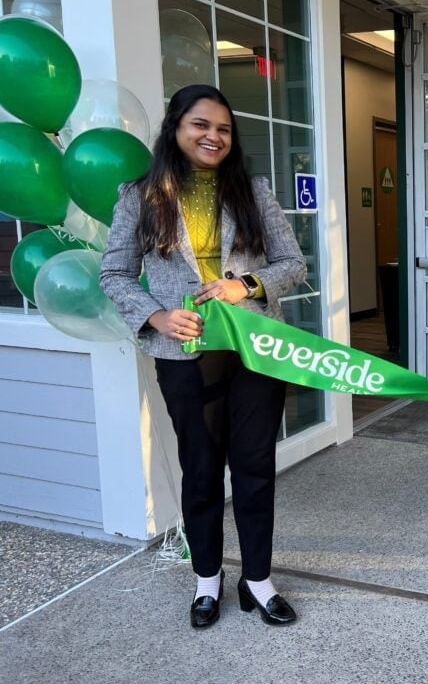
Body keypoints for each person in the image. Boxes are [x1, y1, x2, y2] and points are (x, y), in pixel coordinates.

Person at [100, 85, 307, 629]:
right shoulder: (140, 196)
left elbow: (293, 264)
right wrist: (157, 316)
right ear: (175, 128)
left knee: (256, 466)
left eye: (223, 128)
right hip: (184, 353)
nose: (212, 136)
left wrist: (248, 285)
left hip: (255, 349)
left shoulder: (252, 190)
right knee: (201, 469)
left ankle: (257, 582)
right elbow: (114, 274)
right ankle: (207, 580)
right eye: (200, 125)